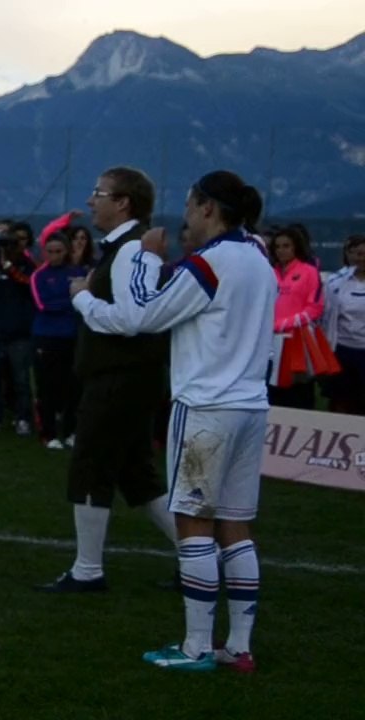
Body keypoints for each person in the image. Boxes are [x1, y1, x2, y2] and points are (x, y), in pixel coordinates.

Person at [72, 170, 274, 673]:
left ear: (208, 207)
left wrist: (145, 256)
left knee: (194, 522)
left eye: (189, 205)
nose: (183, 216)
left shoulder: (209, 263)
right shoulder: (259, 256)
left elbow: (142, 315)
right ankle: (240, 646)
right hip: (251, 404)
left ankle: (196, 646)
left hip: (206, 405)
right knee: (236, 525)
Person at [36, 166, 177, 593]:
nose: (92, 200)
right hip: (130, 377)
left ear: (123, 203)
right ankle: (205, 558)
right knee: (138, 477)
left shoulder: (131, 250)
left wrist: (82, 298)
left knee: (91, 466)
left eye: (100, 193)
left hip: (120, 377)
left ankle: (87, 569)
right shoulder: (129, 247)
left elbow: (132, 321)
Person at [0, 233, 37, 436]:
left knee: (20, 380)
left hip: (19, 331)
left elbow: (30, 284)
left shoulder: (25, 265)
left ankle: (23, 419)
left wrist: (9, 266)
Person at [30, 233, 86, 449]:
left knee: (73, 387)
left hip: (72, 337)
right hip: (46, 337)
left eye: (58, 251)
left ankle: (71, 431)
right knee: (47, 387)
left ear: (66, 251)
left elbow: (85, 298)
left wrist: (72, 301)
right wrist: (71, 301)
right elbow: (43, 304)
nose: (54, 256)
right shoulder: (39, 276)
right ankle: (49, 433)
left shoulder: (77, 272)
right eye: (50, 252)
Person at [267, 227, 324, 410]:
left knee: (299, 392)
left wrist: (282, 324)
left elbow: (315, 308)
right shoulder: (269, 272)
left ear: (296, 247)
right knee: (270, 390)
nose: (281, 250)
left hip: (298, 340)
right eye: (277, 246)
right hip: (269, 341)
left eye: (286, 246)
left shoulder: (309, 271)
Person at [322, 235, 365, 415]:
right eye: (355, 253)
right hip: (341, 349)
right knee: (341, 400)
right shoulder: (335, 282)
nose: (360, 258)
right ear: (347, 254)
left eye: (363, 253)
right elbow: (327, 314)